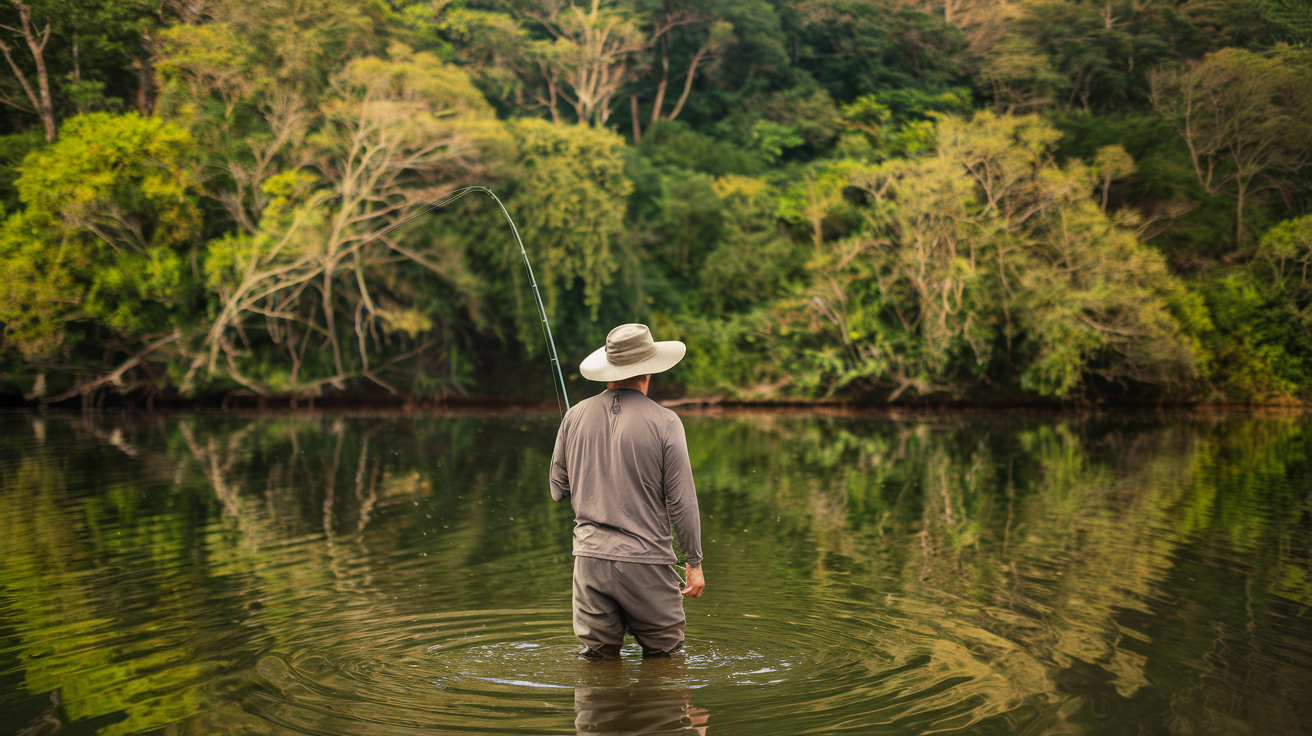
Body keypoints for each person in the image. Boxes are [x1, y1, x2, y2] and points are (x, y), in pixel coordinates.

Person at [551, 323, 706, 660]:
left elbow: (557, 490)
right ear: (649, 370)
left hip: (589, 562)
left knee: (597, 657)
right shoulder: (667, 422)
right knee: (665, 655)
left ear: (609, 370)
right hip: (646, 563)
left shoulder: (573, 416)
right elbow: (682, 502)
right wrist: (693, 562)